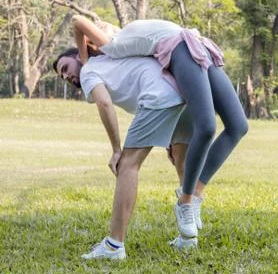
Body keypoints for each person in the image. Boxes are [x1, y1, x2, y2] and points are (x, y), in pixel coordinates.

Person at [71, 15, 249, 241]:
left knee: (238, 126)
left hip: (197, 45)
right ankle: (186, 201)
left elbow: (78, 20)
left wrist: (84, 60)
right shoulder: (117, 49)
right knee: (206, 127)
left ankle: (193, 193)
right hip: (182, 49)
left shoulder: (114, 43)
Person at [53, 48, 196, 259]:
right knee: (181, 161)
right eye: (62, 76)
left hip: (157, 96)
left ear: (78, 56)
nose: (66, 76)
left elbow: (104, 103)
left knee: (127, 165)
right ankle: (188, 240)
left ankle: (114, 246)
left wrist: (116, 150)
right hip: (183, 93)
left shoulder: (88, 70)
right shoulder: (111, 60)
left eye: (65, 68)